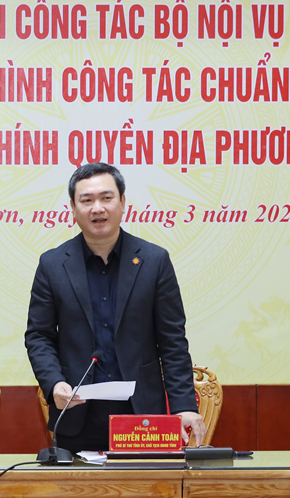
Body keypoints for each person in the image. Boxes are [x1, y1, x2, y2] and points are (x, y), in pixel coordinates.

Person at [25, 163, 206, 453]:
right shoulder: (53, 264)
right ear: (73, 207)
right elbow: (39, 336)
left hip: (142, 415)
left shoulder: (154, 261)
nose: (97, 208)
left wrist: (183, 406)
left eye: (106, 198)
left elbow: (172, 341)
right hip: (77, 413)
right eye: (86, 200)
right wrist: (54, 382)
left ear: (122, 202)